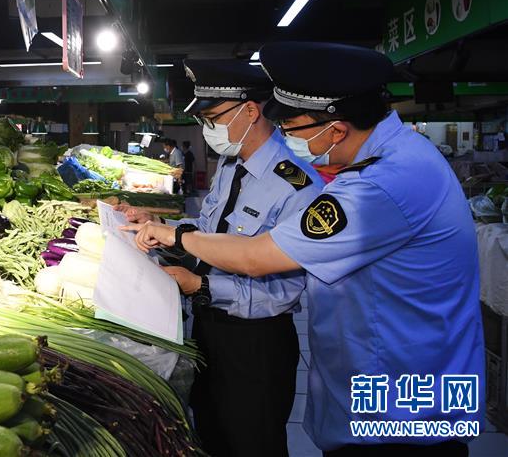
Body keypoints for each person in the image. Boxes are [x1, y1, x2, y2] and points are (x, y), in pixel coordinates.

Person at [125, 43, 485, 457]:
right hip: (385, 382)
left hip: (400, 408)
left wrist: (179, 241)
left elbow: (257, 257)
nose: (287, 137)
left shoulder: (380, 185)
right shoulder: (398, 156)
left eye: (293, 128)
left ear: (336, 129)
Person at [120, 59, 324, 456]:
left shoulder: (297, 186)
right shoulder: (232, 165)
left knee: (251, 442)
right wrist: (161, 225)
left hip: (255, 343)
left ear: (250, 111)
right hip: (208, 327)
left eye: (213, 118)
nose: (207, 129)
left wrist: (200, 285)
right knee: (211, 432)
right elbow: (208, 231)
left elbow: (284, 291)